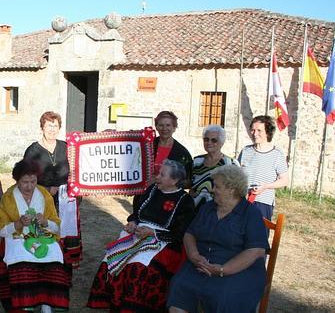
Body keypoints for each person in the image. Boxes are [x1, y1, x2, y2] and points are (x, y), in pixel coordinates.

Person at [87, 160, 195, 312]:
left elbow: (179, 233)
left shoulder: (185, 201)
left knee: (137, 267)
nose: (157, 177)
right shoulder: (151, 190)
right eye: (158, 173)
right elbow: (136, 214)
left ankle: (132, 307)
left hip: (163, 242)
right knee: (112, 257)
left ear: (175, 180)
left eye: (162, 175)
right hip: (139, 233)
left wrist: (153, 233)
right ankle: (116, 304)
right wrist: (132, 222)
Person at [167, 165, 268, 313]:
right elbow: (190, 234)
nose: (212, 190)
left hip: (239, 270)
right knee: (179, 284)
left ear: (231, 189)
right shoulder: (208, 207)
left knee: (223, 296)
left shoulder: (250, 213)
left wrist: (223, 270)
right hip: (202, 264)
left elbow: (256, 251)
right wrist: (194, 256)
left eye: (217, 186)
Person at [0, 159, 70, 313]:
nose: (29, 186)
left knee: (54, 259)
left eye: (33, 181)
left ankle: (47, 303)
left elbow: (56, 226)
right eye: (25, 182)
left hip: (43, 236)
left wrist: (44, 221)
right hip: (17, 238)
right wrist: (18, 223)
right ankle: (25, 304)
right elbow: (2, 230)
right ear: (17, 181)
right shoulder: (8, 197)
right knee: (23, 262)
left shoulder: (44, 194)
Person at [24, 111, 82, 268]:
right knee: (48, 231)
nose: (52, 129)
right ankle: (48, 263)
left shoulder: (67, 147)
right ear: (42, 127)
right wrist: (46, 190)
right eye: (49, 125)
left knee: (66, 231)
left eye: (55, 126)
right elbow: (26, 178)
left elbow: (79, 168)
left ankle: (66, 266)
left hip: (67, 201)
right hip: (43, 199)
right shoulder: (32, 151)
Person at [238, 115, 289, 219]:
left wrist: (265, 186)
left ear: (267, 132)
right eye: (252, 130)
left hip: (263, 203)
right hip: (241, 201)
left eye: (259, 130)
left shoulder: (277, 154)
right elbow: (236, 175)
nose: (255, 134)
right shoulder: (245, 151)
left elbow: (284, 180)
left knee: (258, 233)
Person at [190, 125, 239, 209]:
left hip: (218, 208)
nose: (209, 142)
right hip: (195, 208)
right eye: (206, 139)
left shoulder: (230, 164)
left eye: (214, 140)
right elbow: (191, 182)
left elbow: (237, 190)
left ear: (221, 142)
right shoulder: (197, 161)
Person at [153, 111, 193, 188]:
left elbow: (189, 180)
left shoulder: (182, 153)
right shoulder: (147, 146)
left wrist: (170, 183)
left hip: (169, 196)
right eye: (161, 125)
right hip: (145, 195)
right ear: (156, 127)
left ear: (174, 128)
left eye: (168, 125)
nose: (164, 129)